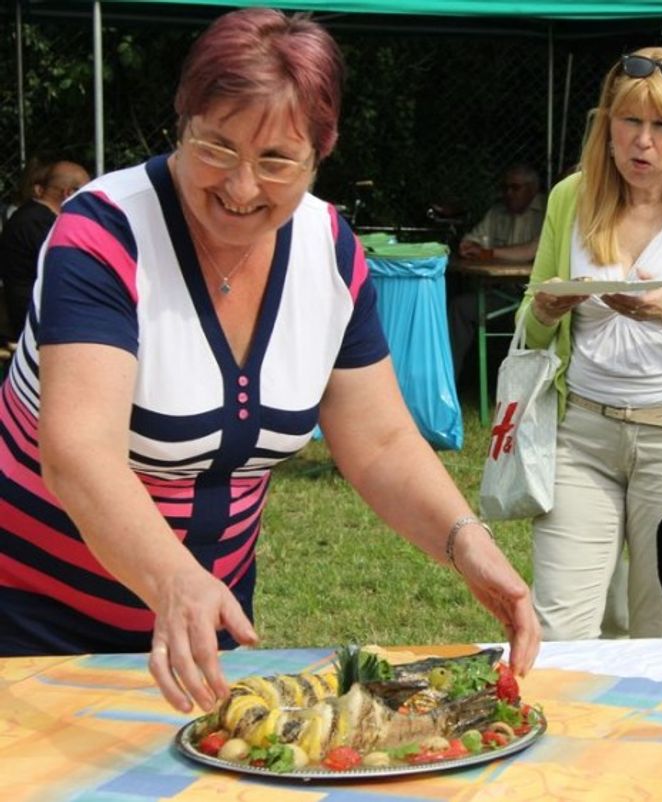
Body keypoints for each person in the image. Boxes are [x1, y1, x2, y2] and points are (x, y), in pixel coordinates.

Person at [0, 8, 539, 712]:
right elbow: (79, 451)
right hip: (35, 624)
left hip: (206, 627)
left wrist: (466, 541)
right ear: (181, 122)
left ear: (321, 156)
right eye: (216, 148)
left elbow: (378, 442)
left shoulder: (329, 251)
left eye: (277, 161)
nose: (241, 187)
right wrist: (175, 579)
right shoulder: (102, 233)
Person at [518, 47, 662, 640]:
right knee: (560, 629)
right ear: (607, 124)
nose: (642, 143)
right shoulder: (572, 196)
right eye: (630, 122)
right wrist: (545, 306)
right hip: (581, 436)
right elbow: (530, 322)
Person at [448, 164, 546, 378]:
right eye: (505, 188)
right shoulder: (497, 211)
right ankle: (449, 383)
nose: (508, 193)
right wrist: (468, 247)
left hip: (537, 296)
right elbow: (470, 241)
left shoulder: (549, 209)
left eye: (515, 188)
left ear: (532, 189)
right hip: (501, 293)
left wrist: (487, 253)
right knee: (460, 307)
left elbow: (529, 252)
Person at [0, 160, 90, 341]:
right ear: (69, 193)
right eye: (86, 193)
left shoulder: (34, 216)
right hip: (35, 322)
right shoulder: (38, 223)